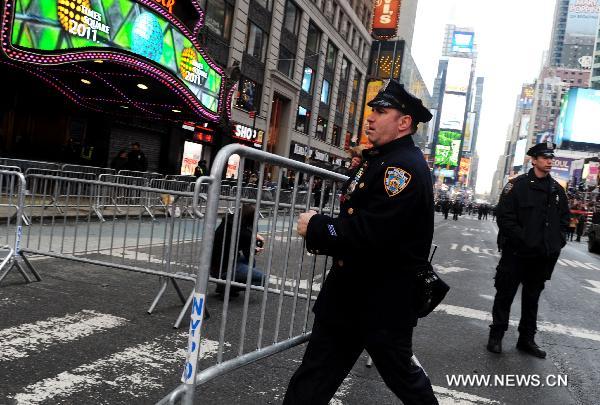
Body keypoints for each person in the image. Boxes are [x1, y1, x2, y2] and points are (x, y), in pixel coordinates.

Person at [283, 80, 438, 404]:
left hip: (383, 302)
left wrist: (317, 227)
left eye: (381, 112)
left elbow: (372, 233)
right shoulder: (380, 159)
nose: (370, 118)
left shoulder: (402, 168)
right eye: (372, 111)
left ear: (404, 122)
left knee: (405, 381)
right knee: (311, 382)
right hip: (350, 296)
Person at [487, 142, 570, 359]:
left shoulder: (557, 190)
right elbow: (505, 218)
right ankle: (496, 336)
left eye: (551, 157)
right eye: (544, 157)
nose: (549, 161)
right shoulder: (516, 186)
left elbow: (564, 220)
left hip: (541, 257)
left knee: (532, 299)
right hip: (516, 253)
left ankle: (526, 339)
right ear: (533, 160)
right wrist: (524, 240)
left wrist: (556, 242)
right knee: (505, 294)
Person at [210, 205, 265, 298]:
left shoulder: (228, 221)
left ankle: (223, 284)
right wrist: (255, 248)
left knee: (249, 263)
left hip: (212, 265)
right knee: (263, 279)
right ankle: (227, 286)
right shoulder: (245, 233)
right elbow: (249, 256)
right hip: (226, 267)